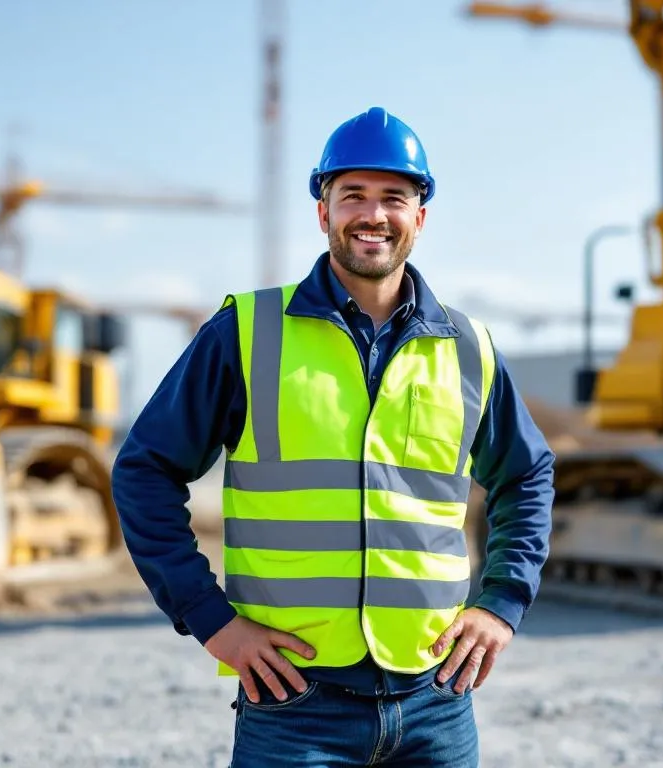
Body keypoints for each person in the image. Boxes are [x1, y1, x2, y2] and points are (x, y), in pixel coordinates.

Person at [111, 106, 555, 767]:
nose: (373, 215)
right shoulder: (247, 332)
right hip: (295, 704)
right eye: (353, 196)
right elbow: (144, 470)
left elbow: (527, 474)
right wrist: (214, 623)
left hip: (435, 698)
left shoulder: (469, 349)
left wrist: (501, 603)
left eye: (393, 198)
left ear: (420, 218)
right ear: (323, 211)